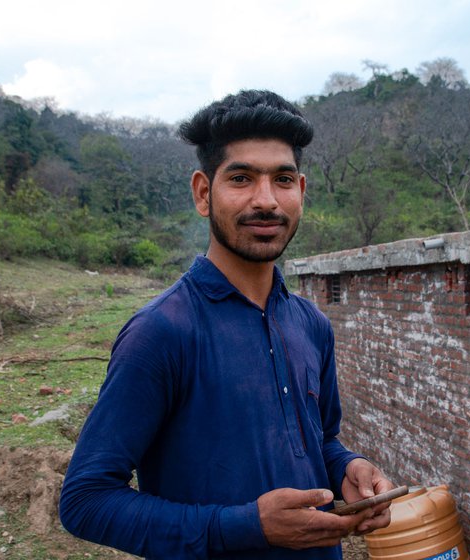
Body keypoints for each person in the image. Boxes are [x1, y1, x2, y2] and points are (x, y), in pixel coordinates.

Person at [59, 90, 394, 559]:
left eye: (282, 180)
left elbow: (320, 442)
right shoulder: (162, 332)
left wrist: (349, 468)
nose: (266, 201)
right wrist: (244, 527)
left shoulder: (311, 324)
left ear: (301, 191)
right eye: (241, 178)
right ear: (203, 192)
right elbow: (85, 502)